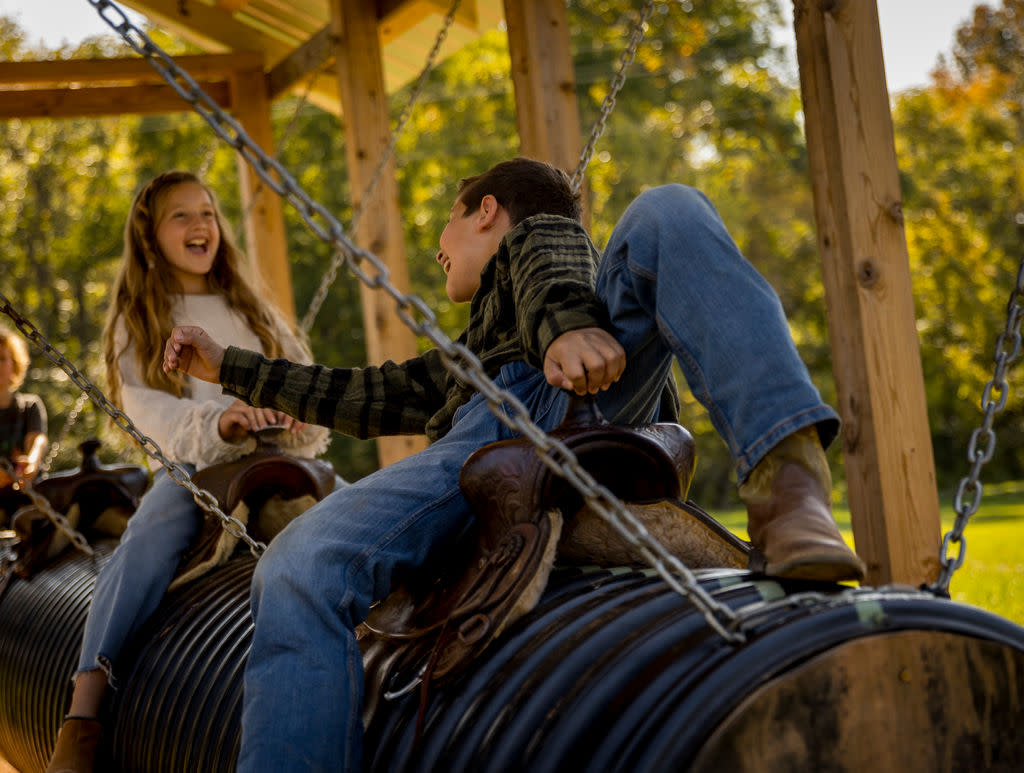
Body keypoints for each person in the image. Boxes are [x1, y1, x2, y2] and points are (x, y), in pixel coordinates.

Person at [163, 157, 866, 771]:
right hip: (514, 421)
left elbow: (547, 255)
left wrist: (567, 327)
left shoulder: (540, 246)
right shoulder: (471, 351)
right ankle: (791, 482)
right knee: (295, 561)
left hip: (553, 400)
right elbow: (360, 393)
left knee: (669, 209)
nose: (439, 249)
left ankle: (789, 486)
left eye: (449, 223)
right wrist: (230, 367)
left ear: (485, 212)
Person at [45, 171, 331, 773]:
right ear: (149, 237)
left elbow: (300, 373)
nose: (201, 225)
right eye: (182, 216)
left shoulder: (251, 310)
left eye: (208, 212)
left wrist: (292, 409)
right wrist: (219, 422)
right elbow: (146, 407)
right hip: (194, 465)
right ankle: (84, 707)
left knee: (349, 506)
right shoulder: (139, 315)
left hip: (276, 456)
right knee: (151, 535)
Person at [0, 326, 48, 523]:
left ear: (15, 364)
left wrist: (32, 462)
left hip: (28, 492)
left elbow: (37, 439)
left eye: (2, 359)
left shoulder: (29, 406)